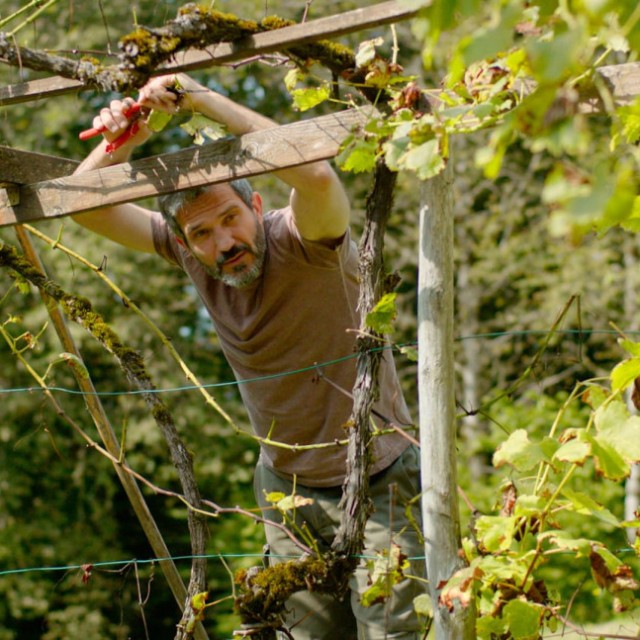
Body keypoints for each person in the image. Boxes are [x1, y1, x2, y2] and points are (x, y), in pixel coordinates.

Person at [74, 73, 425, 639]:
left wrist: (202, 99)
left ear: (256, 204)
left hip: (382, 476)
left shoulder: (305, 238)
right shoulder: (194, 256)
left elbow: (313, 174)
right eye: (203, 233)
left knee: (398, 633)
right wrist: (129, 134)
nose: (223, 243)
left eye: (231, 219)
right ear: (184, 242)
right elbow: (82, 208)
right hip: (287, 492)